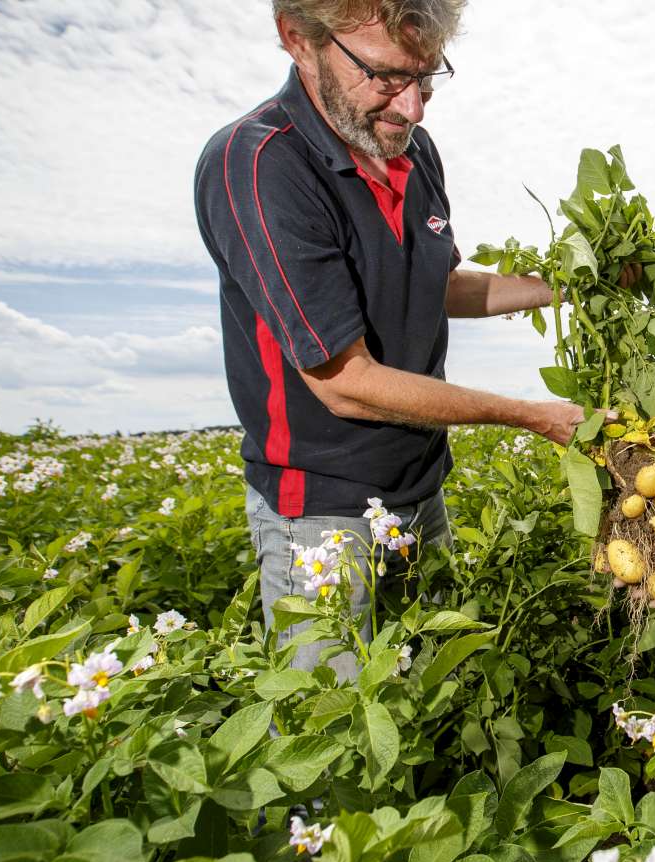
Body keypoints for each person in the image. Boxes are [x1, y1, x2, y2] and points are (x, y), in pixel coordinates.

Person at [193, 0, 585, 680]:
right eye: (385, 77)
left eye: (427, 79)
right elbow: (345, 382)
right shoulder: (259, 166)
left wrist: (571, 281)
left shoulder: (411, 150)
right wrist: (531, 415)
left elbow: (439, 283)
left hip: (419, 489)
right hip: (320, 511)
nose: (413, 108)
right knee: (334, 735)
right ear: (297, 39)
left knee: (434, 697)